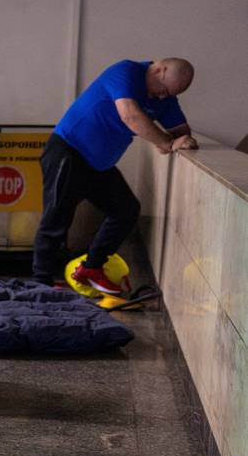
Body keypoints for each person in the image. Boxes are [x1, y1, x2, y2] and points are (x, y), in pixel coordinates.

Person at [32, 57, 198, 292]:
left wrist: (180, 140)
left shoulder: (165, 99)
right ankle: (40, 284)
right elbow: (130, 115)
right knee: (56, 219)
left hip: (98, 165)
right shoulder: (126, 72)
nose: (163, 97)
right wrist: (166, 142)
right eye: (162, 90)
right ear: (158, 69)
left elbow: (182, 131)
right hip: (68, 151)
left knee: (126, 210)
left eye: (169, 94)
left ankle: (91, 267)